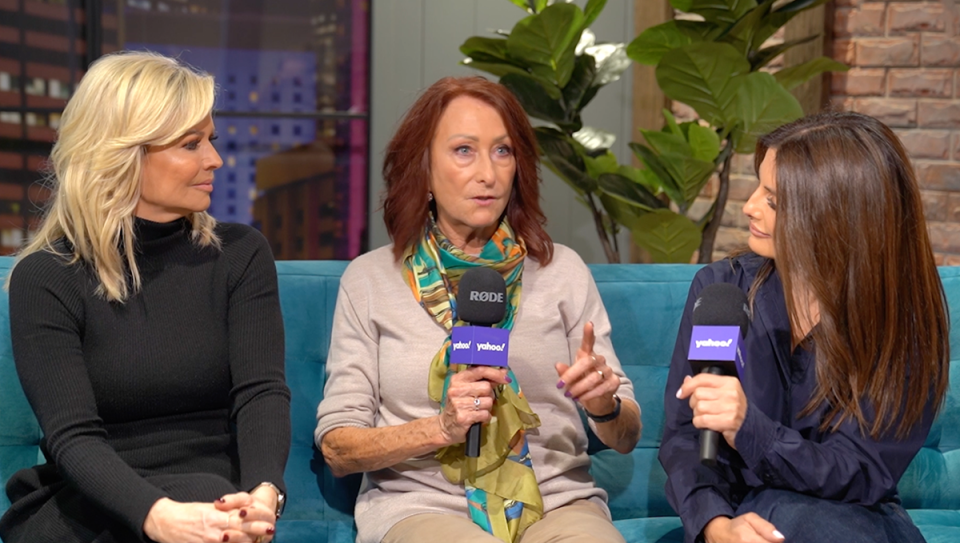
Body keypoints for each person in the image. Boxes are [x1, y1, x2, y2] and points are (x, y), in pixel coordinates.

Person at [315, 76, 641, 543]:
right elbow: (338, 447)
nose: (488, 173)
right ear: (423, 169)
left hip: (555, 505)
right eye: (464, 150)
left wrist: (604, 406)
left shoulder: (563, 271)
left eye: (503, 151)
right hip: (421, 507)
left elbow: (626, 437)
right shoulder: (369, 281)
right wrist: (441, 428)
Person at [0, 51, 291, 543]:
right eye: (191, 144)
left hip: (213, 496)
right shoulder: (46, 276)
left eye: (210, 141)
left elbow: (261, 393)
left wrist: (265, 494)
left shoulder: (240, 255)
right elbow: (72, 437)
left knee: (208, 500)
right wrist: (156, 516)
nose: (215, 159)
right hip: (90, 500)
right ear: (123, 152)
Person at [661, 111, 950, 543]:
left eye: (773, 200)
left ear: (836, 217)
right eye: (758, 186)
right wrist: (716, 526)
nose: (749, 207)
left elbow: (860, 471)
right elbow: (686, 438)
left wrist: (750, 429)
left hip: (854, 518)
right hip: (739, 519)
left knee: (796, 518)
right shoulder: (722, 289)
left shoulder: (900, 320)